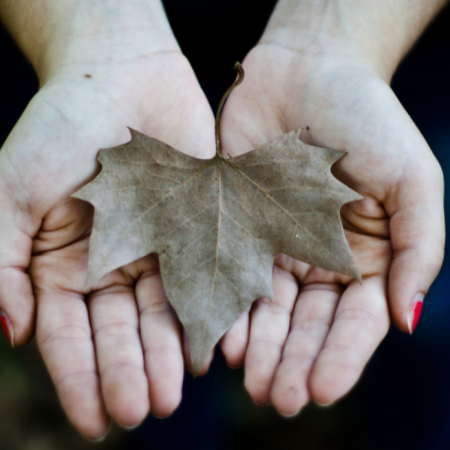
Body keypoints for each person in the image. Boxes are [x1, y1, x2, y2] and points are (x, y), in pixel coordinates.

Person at [0, 0, 445, 441]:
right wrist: (88, 33)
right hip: (72, 53)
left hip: (390, 50)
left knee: (422, 342)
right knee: (152, 369)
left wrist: (348, 37)